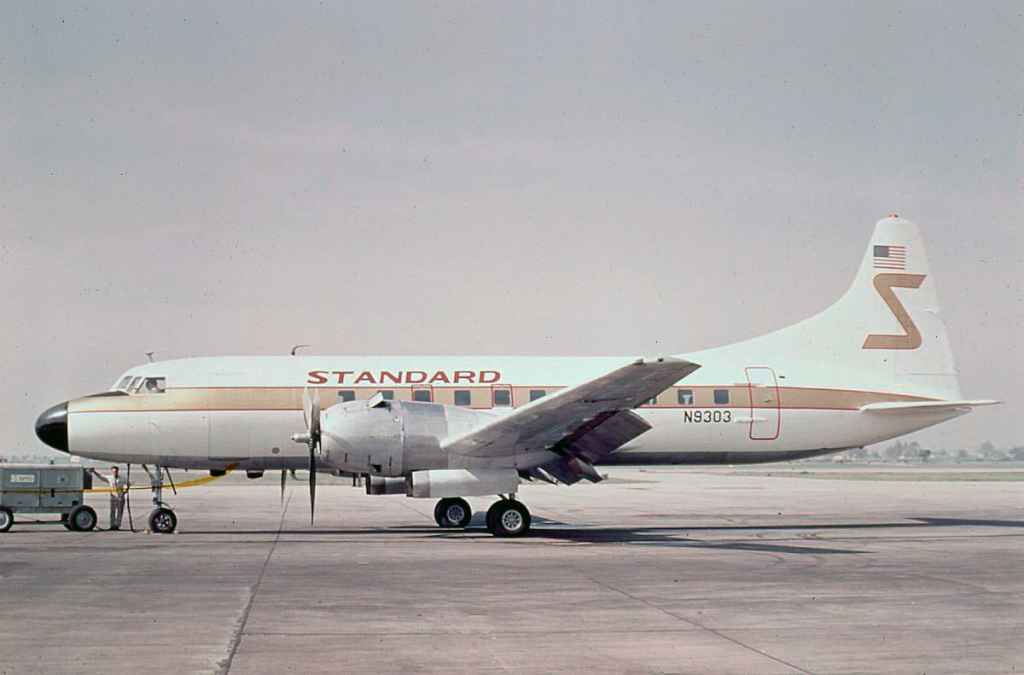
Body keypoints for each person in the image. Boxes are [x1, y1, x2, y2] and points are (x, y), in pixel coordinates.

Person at [90, 466, 127, 530]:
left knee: (119, 512)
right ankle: (112, 525)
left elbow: (128, 484)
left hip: (120, 497)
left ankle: (117, 525)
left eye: (116, 471)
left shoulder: (122, 478)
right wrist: (94, 472)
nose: (115, 472)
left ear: (118, 471)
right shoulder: (110, 478)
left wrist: (124, 492)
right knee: (112, 512)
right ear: (112, 472)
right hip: (113, 497)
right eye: (113, 471)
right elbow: (101, 477)